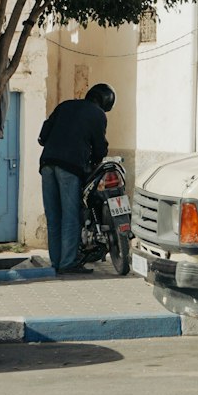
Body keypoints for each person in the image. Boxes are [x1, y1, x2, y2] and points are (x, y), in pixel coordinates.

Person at [38, 83, 114, 275]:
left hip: (47, 164)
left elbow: (43, 136)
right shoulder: (98, 115)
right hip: (70, 167)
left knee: (54, 216)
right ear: (105, 103)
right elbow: (99, 148)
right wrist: (94, 161)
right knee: (70, 215)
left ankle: (56, 262)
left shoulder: (65, 105)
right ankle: (68, 262)